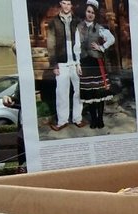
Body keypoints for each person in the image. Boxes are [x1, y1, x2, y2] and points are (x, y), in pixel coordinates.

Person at [73, 0, 115, 129]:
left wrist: (101, 47)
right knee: (90, 93)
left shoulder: (100, 28)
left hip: (97, 63)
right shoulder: (79, 27)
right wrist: (77, 64)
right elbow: (76, 47)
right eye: (88, 11)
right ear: (85, 12)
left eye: (93, 12)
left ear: (95, 14)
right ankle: (94, 119)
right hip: (85, 63)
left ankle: (100, 119)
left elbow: (112, 39)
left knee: (99, 93)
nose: (90, 14)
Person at [46, 0, 84, 131]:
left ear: (71, 6)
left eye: (69, 3)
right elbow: (50, 44)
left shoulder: (77, 21)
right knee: (62, 92)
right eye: (64, 3)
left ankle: (77, 118)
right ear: (60, 5)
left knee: (79, 91)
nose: (66, 6)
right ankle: (62, 121)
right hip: (61, 62)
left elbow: (81, 43)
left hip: (75, 61)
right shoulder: (53, 22)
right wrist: (54, 65)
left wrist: (80, 62)